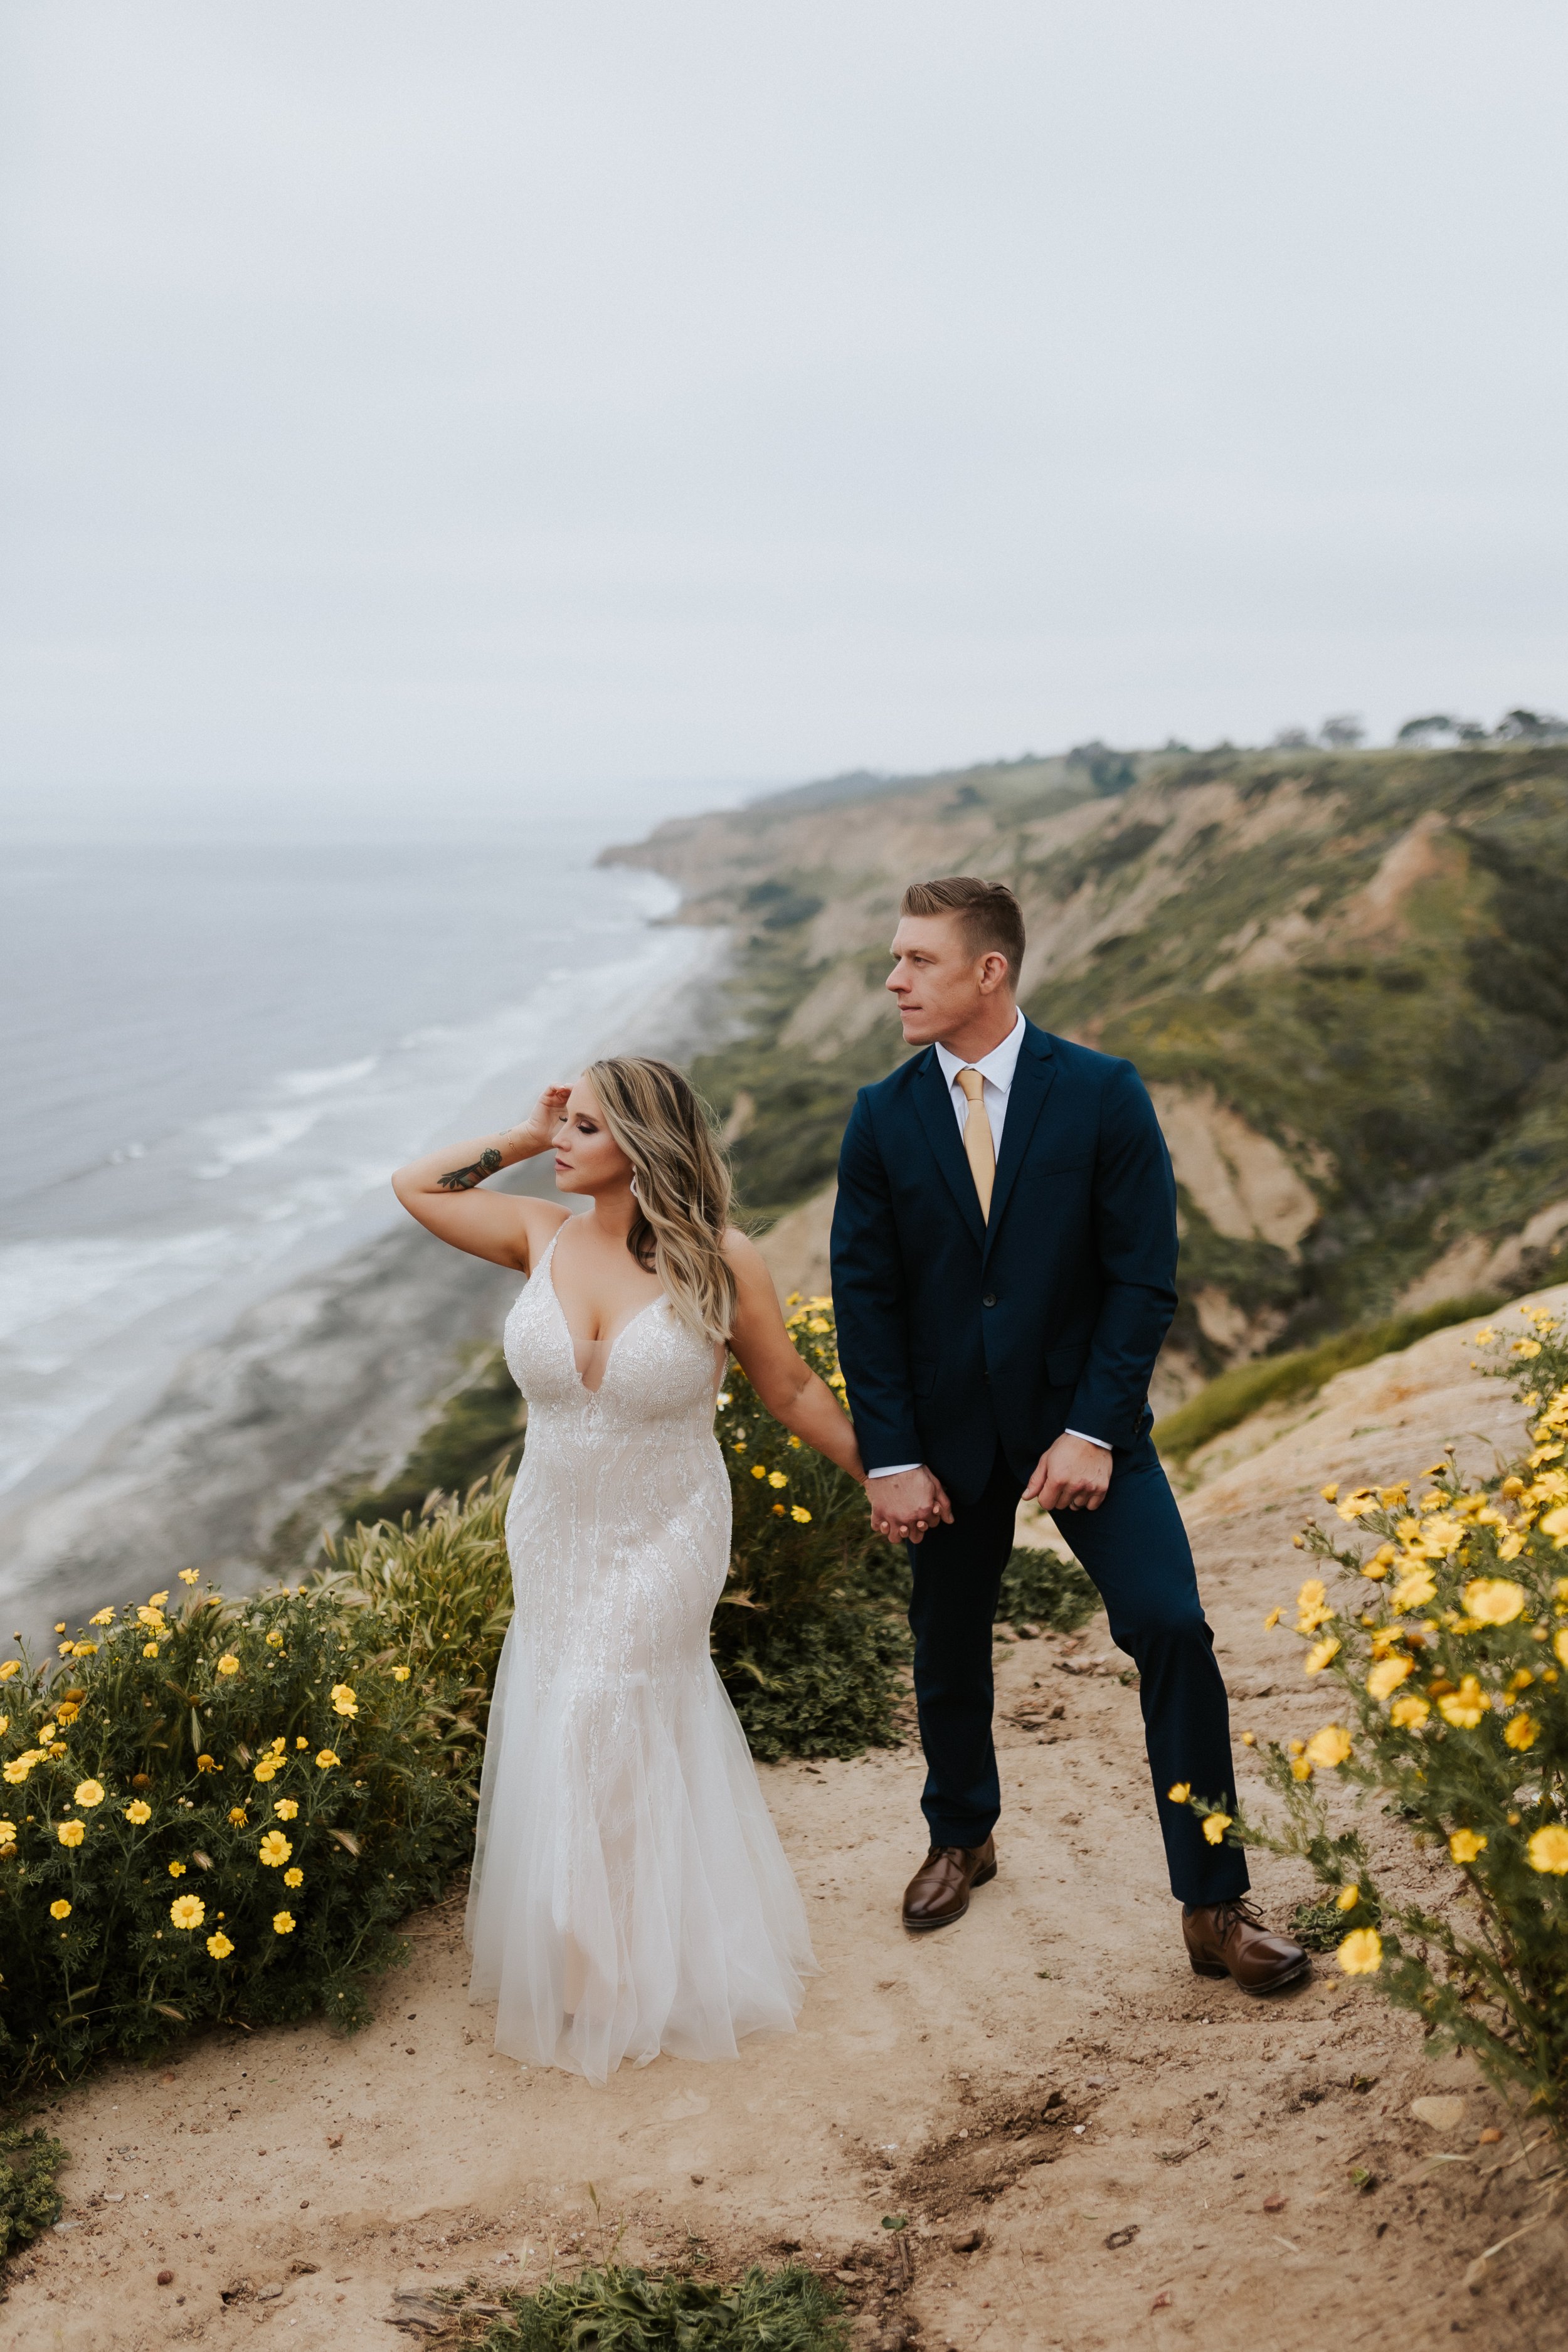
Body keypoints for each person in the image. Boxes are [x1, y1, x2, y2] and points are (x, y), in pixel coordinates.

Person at [829, 876, 1307, 1992]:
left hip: (1090, 1428)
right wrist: (892, 1458)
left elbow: (1143, 1280)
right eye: (895, 959)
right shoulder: (880, 1116)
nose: (894, 980)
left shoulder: (1101, 1093)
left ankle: (1215, 1903)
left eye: (918, 960)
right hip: (943, 1441)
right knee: (947, 1640)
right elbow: (867, 1297)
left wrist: (1094, 1428)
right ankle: (963, 1836)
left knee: (1173, 1627)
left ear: (989, 971)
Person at [392, 1056, 865, 2081]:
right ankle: (590, 1949)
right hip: (553, 1529)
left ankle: (610, 1975)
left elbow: (786, 1387)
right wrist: (523, 1135)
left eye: (588, 1128)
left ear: (645, 1146)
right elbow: (416, 1186)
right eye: (567, 1125)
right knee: (572, 1716)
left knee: (607, 1704)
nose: (567, 1140)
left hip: (670, 1524)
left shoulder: (720, 1260)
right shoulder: (539, 1233)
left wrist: (888, 1478)